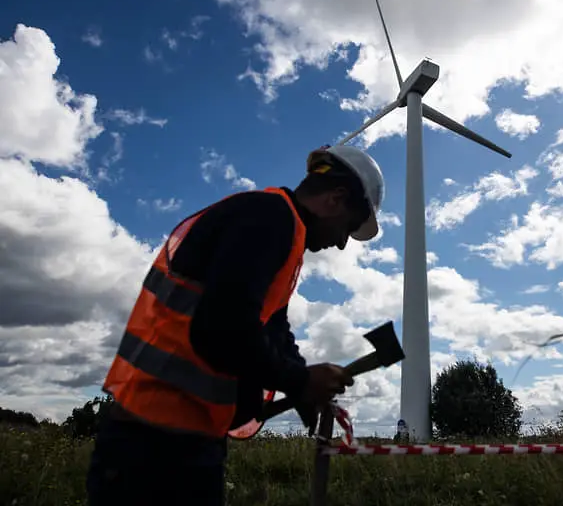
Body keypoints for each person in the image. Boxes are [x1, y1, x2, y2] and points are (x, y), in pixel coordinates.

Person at [85, 144, 386, 506]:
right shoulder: (267, 219)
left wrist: (301, 384)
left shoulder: (283, 232)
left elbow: (274, 329)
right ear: (335, 199)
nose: (340, 244)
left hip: (186, 436)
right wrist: (300, 381)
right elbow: (220, 329)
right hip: (152, 443)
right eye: (347, 229)